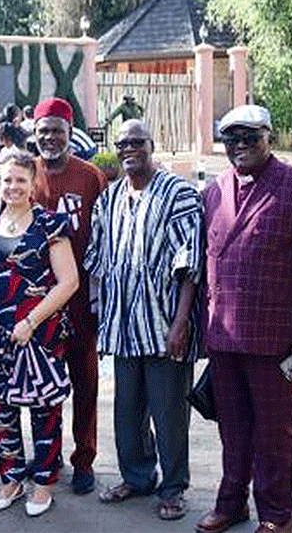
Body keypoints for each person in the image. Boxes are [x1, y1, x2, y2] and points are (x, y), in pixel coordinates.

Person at [195, 105, 292, 533]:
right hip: (223, 338)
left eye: (250, 137)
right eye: (232, 139)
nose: (241, 146)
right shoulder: (214, 191)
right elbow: (208, 264)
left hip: (275, 341)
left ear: (269, 138)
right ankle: (231, 503)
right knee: (233, 429)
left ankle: (277, 515)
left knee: (273, 433)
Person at [85, 120, 204, 521]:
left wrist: (181, 324)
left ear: (153, 145)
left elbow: (191, 263)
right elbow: (97, 258)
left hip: (164, 326)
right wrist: (102, 314)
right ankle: (137, 478)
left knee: (169, 412)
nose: (129, 149)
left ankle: (173, 488)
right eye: (122, 143)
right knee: (128, 410)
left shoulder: (178, 194)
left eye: (137, 142)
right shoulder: (110, 197)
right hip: (124, 327)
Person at [0, 151, 78, 517]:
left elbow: (69, 282)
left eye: (20, 180)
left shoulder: (51, 225)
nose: (13, 186)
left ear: (33, 184)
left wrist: (30, 321)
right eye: (6, 180)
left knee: (44, 409)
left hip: (39, 335)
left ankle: (44, 483)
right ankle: (11, 478)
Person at [31, 97, 107, 496]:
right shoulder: (27, 173)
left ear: (69, 133)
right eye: (43, 131)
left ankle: (84, 458)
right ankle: (49, 454)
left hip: (79, 300)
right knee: (44, 383)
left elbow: (105, 235)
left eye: (57, 131)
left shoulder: (90, 176)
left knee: (84, 383)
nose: (50, 138)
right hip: (38, 302)